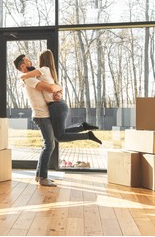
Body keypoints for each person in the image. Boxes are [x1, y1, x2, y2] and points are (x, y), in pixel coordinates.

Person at [19, 49, 102, 145]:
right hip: (58, 105)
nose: (37, 61)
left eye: (38, 59)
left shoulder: (43, 70)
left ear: (42, 59)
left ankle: (88, 135)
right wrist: (60, 93)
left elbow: (24, 76)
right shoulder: (49, 71)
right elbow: (58, 87)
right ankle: (82, 127)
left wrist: (22, 79)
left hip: (56, 106)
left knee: (59, 137)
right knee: (59, 134)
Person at [14, 54, 62, 187]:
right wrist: (58, 88)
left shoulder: (30, 78)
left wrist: (58, 91)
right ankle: (43, 177)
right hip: (41, 116)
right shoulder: (29, 80)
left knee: (48, 145)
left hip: (43, 114)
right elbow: (51, 88)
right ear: (23, 66)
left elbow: (51, 89)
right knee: (49, 145)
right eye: (27, 61)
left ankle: (39, 175)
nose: (31, 62)